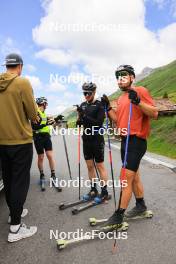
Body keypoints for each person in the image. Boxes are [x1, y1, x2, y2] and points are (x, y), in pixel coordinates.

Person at [101, 65, 158, 227]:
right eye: (118, 76)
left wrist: (139, 102)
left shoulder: (140, 91)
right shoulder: (121, 98)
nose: (120, 79)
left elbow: (154, 113)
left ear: (132, 77)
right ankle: (140, 205)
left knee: (125, 178)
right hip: (125, 141)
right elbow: (118, 120)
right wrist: (108, 108)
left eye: (124, 75)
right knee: (134, 177)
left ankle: (119, 215)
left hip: (136, 141)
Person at [0, 53, 38, 242]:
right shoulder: (22, 82)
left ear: (6, 66)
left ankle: (13, 214)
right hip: (20, 141)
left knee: (8, 180)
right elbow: (32, 113)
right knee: (20, 182)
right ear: (20, 66)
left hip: (2, 142)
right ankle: (15, 228)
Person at [76, 82, 110, 201]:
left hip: (97, 139)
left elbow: (97, 123)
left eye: (88, 93)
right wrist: (79, 119)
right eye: (84, 93)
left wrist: (83, 116)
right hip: (86, 139)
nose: (86, 95)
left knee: (100, 165)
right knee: (89, 166)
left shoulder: (100, 105)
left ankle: (104, 191)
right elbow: (81, 122)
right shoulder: (83, 105)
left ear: (94, 92)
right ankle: (93, 190)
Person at [32, 97, 62, 191]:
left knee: (50, 155)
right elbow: (35, 126)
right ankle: (42, 175)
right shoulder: (35, 112)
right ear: (43, 104)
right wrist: (47, 124)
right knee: (41, 157)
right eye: (46, 104)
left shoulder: (44, 114)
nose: (47, 106)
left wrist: (56, 119)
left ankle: (53, 175)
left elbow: (50, 122)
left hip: (46, 136)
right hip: (38, 137)